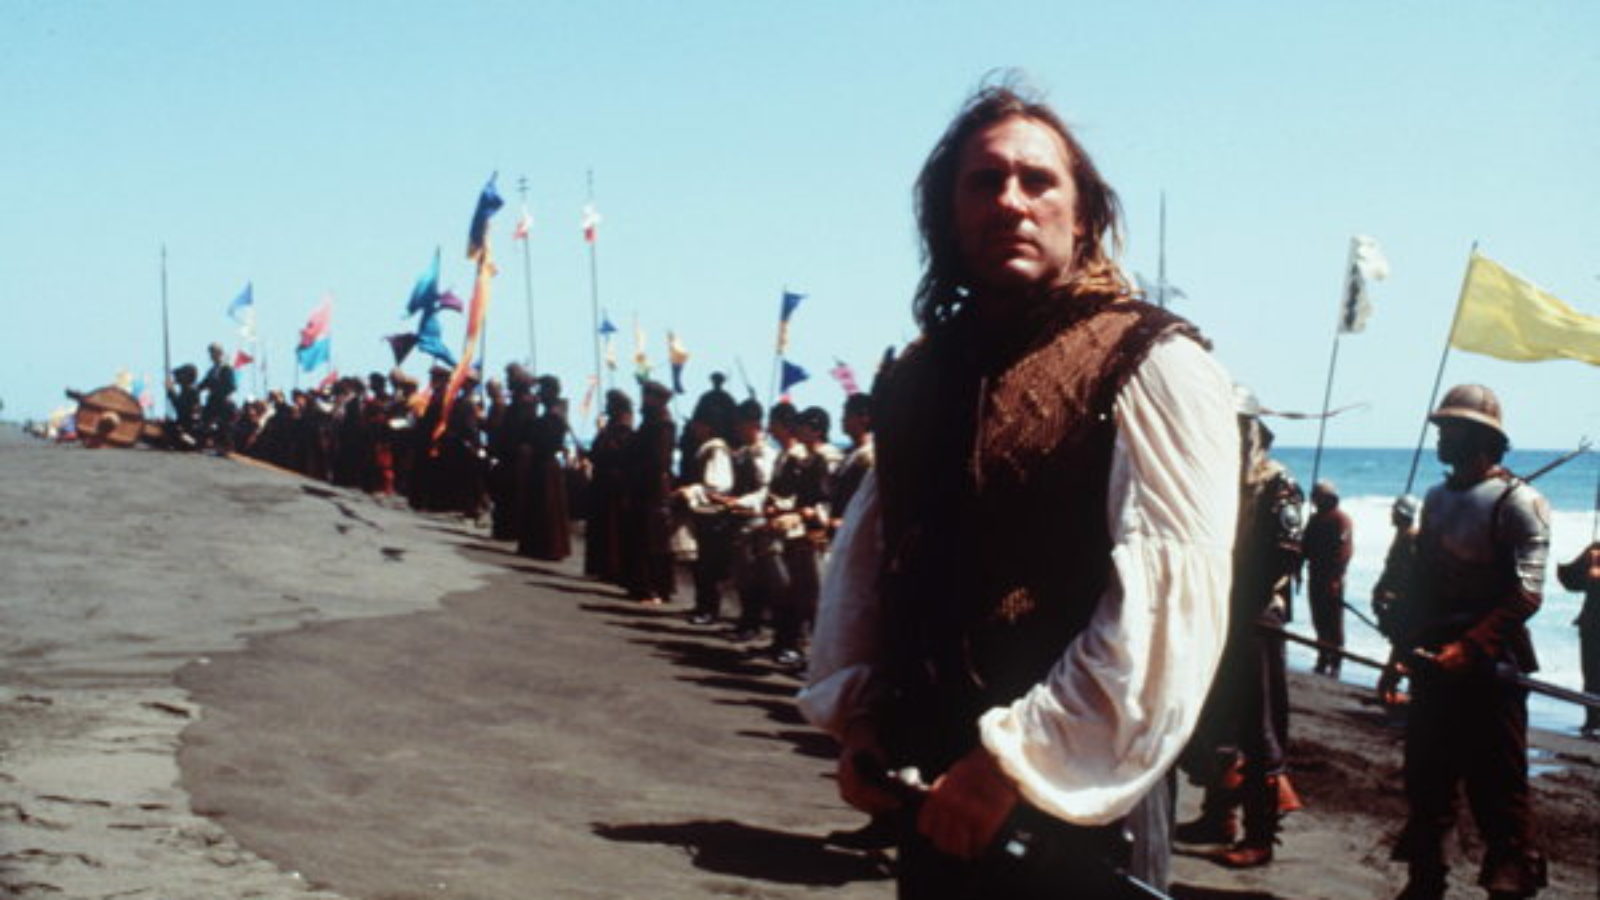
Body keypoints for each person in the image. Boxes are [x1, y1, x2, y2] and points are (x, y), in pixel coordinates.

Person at [798, 79, 1239, 897]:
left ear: (1085, 215)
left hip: (1077, 799)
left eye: (1038, 181)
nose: (1010, 202)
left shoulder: (1151, 363)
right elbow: (872, 563)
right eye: (984, 181)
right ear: (948, 217)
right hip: (932, 781)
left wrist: (1014, 766)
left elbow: (1166, 608)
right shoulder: (920, 376)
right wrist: (861, 719)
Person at [1385, 384, 1548, 900]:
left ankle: (1508, 887)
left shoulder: (1519, 502)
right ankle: (1424, 882)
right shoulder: (1436, 499)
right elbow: (1424, 587)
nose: (1440, 437)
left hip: (1492, 666)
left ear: (1479, 437)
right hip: (1434, 659)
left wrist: (1472, 647)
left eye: (1450, 429)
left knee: (1498, 788)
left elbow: (1527, 594)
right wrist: (1400, 653)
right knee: (1427, 780)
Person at [1176, 393, 1304, 869]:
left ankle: (1261, 835)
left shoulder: (1277, 483)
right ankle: (1219, 817)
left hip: (1254, 616)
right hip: (1220, 613)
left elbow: (1284, 553)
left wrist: (1240, 600)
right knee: (1216, 719)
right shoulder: (1219, 482)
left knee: (1258, 726)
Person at [1373, 494, 1421, 706]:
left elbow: (1411, 574)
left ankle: (1390, 687)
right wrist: (1380, 589)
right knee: (1399, 643)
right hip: (1397, 600)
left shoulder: (1411, 538)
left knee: (1404, 645)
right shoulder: (1401, 536)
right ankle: (1388, 686)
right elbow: (1390, 569)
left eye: (1395, 511)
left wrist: (1397, 596)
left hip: (1407, 603)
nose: (1391, 514)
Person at [1303, 479, 1353, 677]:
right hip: (1315, 575)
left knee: (1334, 621)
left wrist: (1335, 578)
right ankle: (1322, 658)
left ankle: (1336, 662)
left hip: (1333, 579)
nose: (1314, 499)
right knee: (1318, 619)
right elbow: (1305, 547)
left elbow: (1344, 553)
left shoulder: (1341, 520)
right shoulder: (1315, 520)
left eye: (1317, 496)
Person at [1554, 542, 1600, 737]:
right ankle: (1592, 722)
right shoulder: (1597, 551)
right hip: (1593, 626)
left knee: (1593, 676)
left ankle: (1593, 723)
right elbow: (1571, 581)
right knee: (1592, 677)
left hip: (1592, 625)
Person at [198, 342, 238, 450]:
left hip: (223, 400)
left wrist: (218, 390)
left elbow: (232, 386)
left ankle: (226, 446)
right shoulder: (212, 370)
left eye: (214, 352)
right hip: (213, 400)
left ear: (220, 353)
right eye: (210, 353)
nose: (212, 355)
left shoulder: (226, 368)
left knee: (225, 425)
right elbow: (204, 383)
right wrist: (194, 390)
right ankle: (205, 442)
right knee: (204, 421)